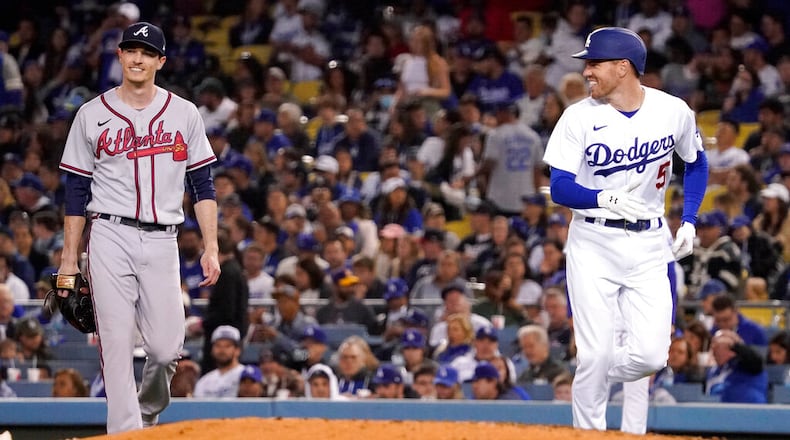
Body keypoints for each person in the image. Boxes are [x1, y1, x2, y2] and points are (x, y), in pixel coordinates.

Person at [57, 21, 221, 434]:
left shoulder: (184, 112)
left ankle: (148, 410)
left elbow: (202, 185)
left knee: (167, 350)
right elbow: (76, 192)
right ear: (119, 55)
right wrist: (68, 260)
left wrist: (211, 246)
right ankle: (125, 433)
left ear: (160, 61)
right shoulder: (91, 114)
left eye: (147, 53)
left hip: (164, 239)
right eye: (131, 50)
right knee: (115, 346)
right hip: (109, 234)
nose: (138, 58)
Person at [542, 27, 707, 433]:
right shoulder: (577, 117)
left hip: (650, 240)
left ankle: (592, 372)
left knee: (652, 357)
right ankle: (589, 428)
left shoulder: (672, 111)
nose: (587, 73)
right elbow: (560, 186)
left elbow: (697, 162)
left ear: (623, 67)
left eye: (594, 64)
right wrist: (603, 198)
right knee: (596, 354)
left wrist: (689, 219)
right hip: (593, 239)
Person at [706, 329, 768, 403]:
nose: (713, 351)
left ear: (732, 351)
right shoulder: (715, 370)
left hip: (748, 408)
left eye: (717, 347)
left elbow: (755, 360)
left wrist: (737, 345)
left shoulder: (746, 364)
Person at [193, 326, 245, 398]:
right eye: (218, 345)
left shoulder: (247, 375)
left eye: (227, 346)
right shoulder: (204, 381)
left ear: (237, 350)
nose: (222, 350)